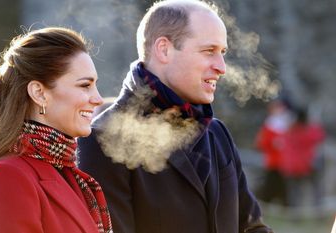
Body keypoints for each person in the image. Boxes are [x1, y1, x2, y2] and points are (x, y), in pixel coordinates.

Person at [77, 1, 273, 233]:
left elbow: (251, 228)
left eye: (222, 53)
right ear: (164, 49)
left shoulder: (217, 133)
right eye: (209, 51)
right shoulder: (101, 140)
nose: (222, 67)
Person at [0, 27, 113, 233]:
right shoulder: (6, 176)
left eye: (95, 85)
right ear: (39, 93)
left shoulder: (70, 175)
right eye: (85, 85)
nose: (97, 98)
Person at [279, 107, 325, 207]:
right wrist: (315, 122)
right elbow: (320, 136)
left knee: (295, 192)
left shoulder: (290, 130)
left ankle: (294, 213)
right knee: (316, 189)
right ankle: (318, 209)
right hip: (308, 165)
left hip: (292, 167)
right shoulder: (309, 130)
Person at [255, 99, 291, 205]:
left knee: (280, 184)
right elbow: (261, 143)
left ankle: (281, 204)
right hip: (273, 161)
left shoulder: (286, 124)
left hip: (283, 162)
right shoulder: (269, 125)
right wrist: (273, 143)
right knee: (272, 183)